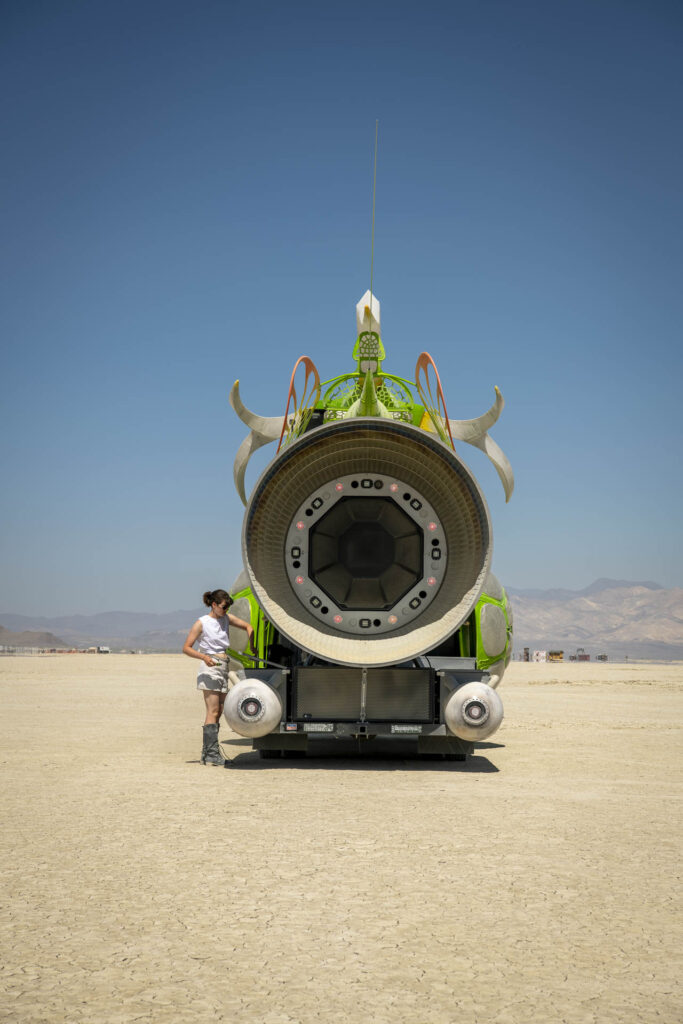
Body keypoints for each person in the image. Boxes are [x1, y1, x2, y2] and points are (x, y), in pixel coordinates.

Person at [182, 589, 255, 766]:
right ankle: (211, 754)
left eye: (227, 607)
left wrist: (252, 646)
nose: (225, 610)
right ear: (214, 605)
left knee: (220, 710)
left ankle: (208, 753)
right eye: (223, 607)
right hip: (210, 667)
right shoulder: (202, 623)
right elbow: (186, 648)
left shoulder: (226, 618)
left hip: (223, 667)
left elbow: (248, 627)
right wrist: (204, 657)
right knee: (213, 711)